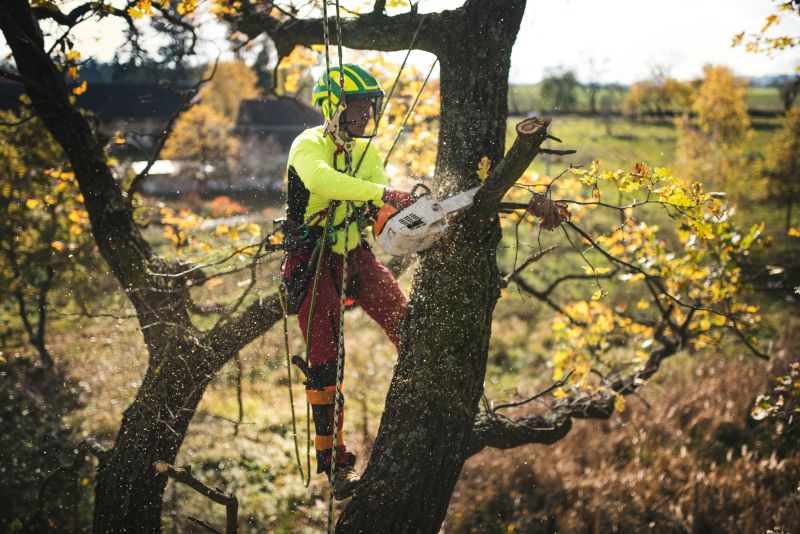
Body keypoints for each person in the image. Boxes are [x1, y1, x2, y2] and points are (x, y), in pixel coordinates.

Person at [280, 64, 414, 500]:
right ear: (333, 107)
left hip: (355, 253)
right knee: (326, 360)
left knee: (405, 320)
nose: (365, 115)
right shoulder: (308, 144)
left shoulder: (365, 153)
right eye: (357, 107)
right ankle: (335, 463)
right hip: (312, 260)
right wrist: (381, 195)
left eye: (368, 108)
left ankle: (422, 403)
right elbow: (322, 180)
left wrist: (397, 208)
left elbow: (375, 195)